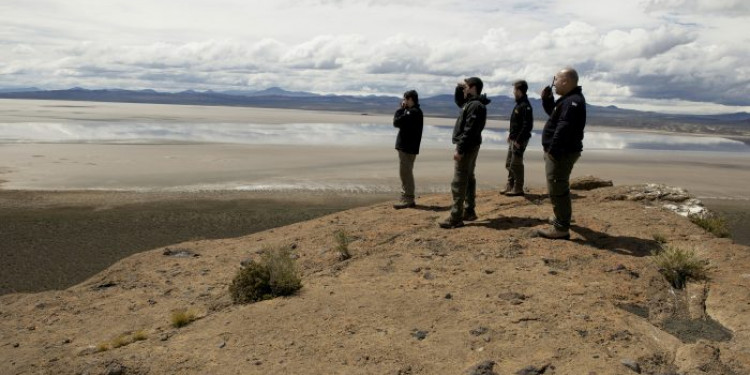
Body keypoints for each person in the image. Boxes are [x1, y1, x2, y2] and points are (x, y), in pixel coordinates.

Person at [537, 68, 586, 239]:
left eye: (556, 79)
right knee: (560, 185)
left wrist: (553, 151)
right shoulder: (567, 100)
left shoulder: (573, 102)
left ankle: (561, 228)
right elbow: (555, 116)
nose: (554, 83)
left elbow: (563, 127)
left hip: (561, 152)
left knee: (557, 187)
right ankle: (562, 217)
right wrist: (547, 100)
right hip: (561, 151)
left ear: (566, 81)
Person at [439, 77, 491, 229]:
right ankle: (469, 211)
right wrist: (459, 87)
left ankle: (456, 217)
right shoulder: (471, 103)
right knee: (468, 177)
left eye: (466, 86)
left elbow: (469, 130)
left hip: (467, 147)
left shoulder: (475, 106)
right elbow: (459, 101)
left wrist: (460, 149)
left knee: (459, 180)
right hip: (471, 145)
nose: (464, 88)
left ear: (473, 87)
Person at [501, 80, 533, 196]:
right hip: (514, 139)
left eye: (514, 89)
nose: (513, 92)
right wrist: (511, 135)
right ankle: (510, 184)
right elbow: (516, 123)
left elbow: (527, 126)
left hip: (520, 140)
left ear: (519, 90)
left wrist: (519, 140)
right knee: (509, 163)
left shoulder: (525, 106)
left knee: (516, 164)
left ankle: (518, 187)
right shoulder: (519, 104)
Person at [392, 90, 424, 209]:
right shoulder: (412, 112)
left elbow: (396, 122)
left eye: (405, 99)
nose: (403, 101)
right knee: (405, 172)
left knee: (406, 173)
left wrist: (400, 109)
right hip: (407, 147)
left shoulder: (413, 112)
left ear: (410, 99)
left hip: (407, 148)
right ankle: (406, 196)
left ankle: (408, 198)